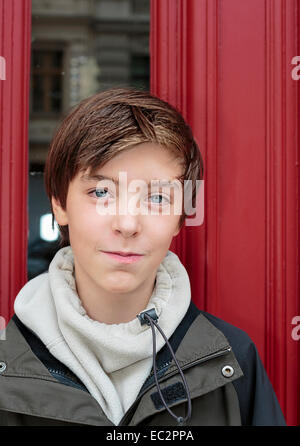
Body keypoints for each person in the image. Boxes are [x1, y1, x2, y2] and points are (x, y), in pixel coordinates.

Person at [0, 88, 285, 426]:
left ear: (180, 218)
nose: (127, 224)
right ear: (60, 204)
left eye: (157, 198)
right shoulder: (6, 361)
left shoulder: (234, 360)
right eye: (101, 192)